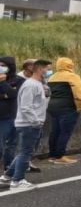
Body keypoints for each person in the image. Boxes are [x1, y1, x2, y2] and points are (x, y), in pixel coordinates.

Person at [1, 60, 50, 191]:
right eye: (46, 69)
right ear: (39, 69)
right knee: (26, 153)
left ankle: (7, 176)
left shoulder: (37, 84)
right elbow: (26, 107)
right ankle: (17, 181)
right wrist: (36, 122)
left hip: (29, 123)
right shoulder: (31, 85)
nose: (48, 71)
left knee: (24, 151)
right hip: (29, 124)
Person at [45, 57, 81, 165]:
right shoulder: (73, 76)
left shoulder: (52, 77)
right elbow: (78, 94)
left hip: (52, 106)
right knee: (65, 132)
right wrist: (79, 107)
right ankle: (60, 156)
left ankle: (52, 155)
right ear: (70, 65)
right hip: (67, 107)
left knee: (55, 131)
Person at [0, 56, 23, 180]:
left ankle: (8, 170)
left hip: (14, 116)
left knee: (11, 145)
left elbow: (14, 94)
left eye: (3, 65)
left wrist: (3, 84)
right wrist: (6, 94)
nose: (1, 68)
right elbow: (9, 94)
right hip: (2, 118)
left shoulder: (18, 80)